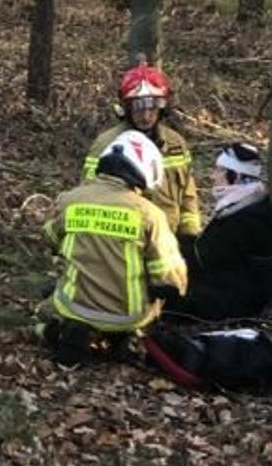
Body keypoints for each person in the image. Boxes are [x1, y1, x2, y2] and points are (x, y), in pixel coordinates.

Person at [40, 130, 189, 363]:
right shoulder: (150, 214)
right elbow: (170, 278)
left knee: (48, 303)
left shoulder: (71, 199)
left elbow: (49, 237)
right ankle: (126, 339)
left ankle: (59, 330)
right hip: (129, 316)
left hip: (74, 307)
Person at [82, 63, 201, 243]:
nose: (146, 116)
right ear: (127, 108)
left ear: (162, 107)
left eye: (152, 106)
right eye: (139, 107)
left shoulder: (175, 143)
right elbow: (89, 193)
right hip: (125, 241)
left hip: (168, 241)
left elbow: (187, 195)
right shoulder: (106, 144)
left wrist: (189, 235)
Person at [168, 142, 272, 324]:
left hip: (234, 304)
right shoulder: (245, 205)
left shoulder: (246, 219)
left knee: (162, 294)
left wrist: (167, 245)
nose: (212, 176)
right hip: (229, 291)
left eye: (219, 171)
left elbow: (203, 257)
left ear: (236, 176)